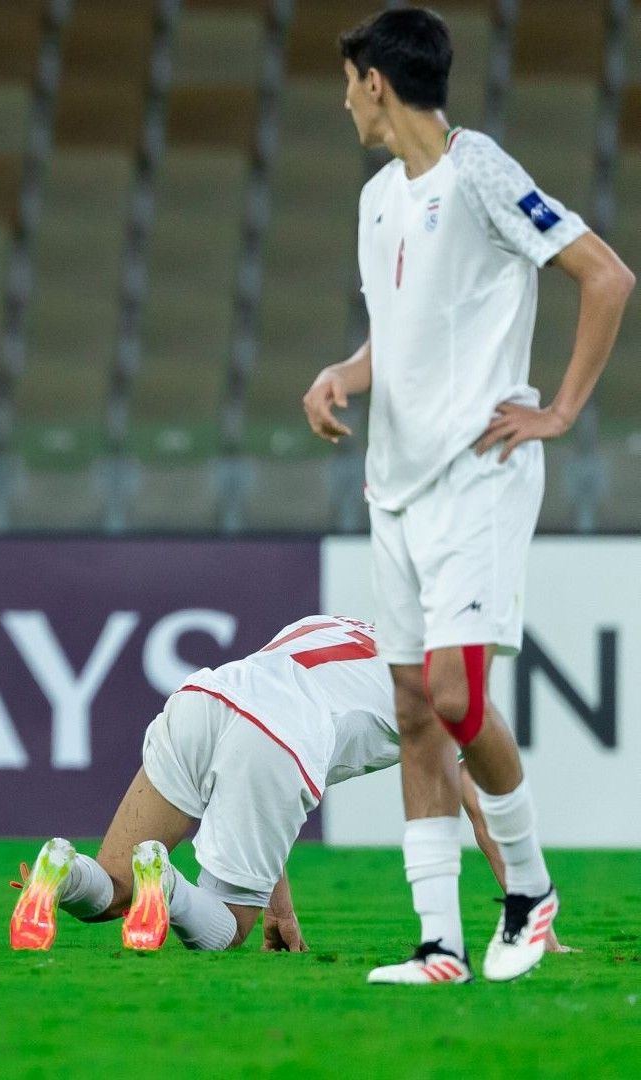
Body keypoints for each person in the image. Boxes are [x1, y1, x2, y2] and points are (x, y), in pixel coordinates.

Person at [302, 8, 633, 984]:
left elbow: (605, 276)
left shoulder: (482, 168)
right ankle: (439, 942)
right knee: (413, 708)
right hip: (393, 484)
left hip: (476, 472)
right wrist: (342, 377)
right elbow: (394, 338)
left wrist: (560, 410)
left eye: (349, 82)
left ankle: (528, 894)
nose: (343, 101)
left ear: (375, 84)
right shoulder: (376, 202)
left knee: (454, 694)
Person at [9, 616, 564, 963]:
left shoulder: (330, 624)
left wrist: (282, 905)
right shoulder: (445, 689)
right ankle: (169, 884)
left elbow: (259, 719)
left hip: (206, 696)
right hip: (281, 737)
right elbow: (485, 808)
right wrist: (532, 917)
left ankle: (61, 870)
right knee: (225, 932)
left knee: (112, 887)